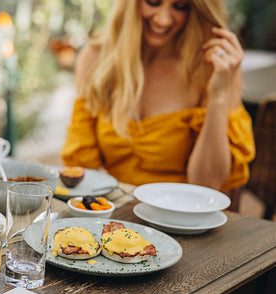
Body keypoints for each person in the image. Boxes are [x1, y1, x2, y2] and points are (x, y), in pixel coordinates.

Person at [61, 0, 255, 192]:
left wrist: (218, 96)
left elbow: (206, 185)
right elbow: (82, 167)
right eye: (153, 2)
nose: (163, 20)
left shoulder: (212, 67)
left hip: (180, 215)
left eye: (180, 6)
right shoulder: (96, 58)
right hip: (109, 210)